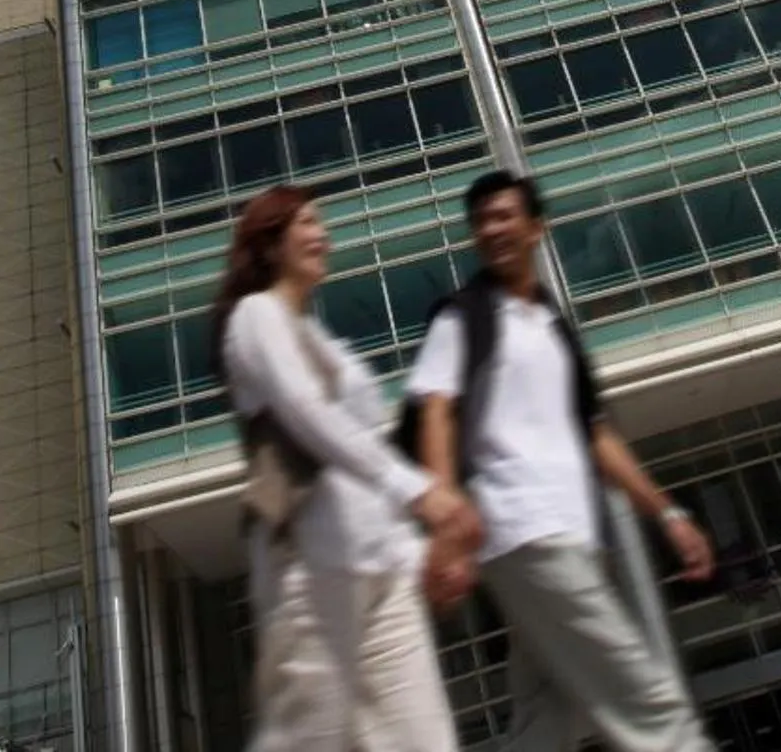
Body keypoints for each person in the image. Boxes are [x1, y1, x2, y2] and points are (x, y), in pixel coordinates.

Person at [404, 171, 716, 752]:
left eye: (504, 215)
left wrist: (669, 515)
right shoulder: (463, 316)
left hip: (568, 538)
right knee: (644, 697)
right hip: (525, 528)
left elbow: (595, 435)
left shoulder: (551, 327)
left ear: (536, 228)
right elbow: (436, 411)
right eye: (481, 221)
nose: (492, 228)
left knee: (549, 716)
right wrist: (445, 515)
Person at [215, 183, 482, 751]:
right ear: (270, 243)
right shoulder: (255, 318)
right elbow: (304, 410)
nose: (323, 235)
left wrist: (420, 553)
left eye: (322, 222)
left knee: (426, 742)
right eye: (308, 223)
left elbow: (362, 453)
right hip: (310, 571)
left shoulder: (322, 339)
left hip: (382, 571)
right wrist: (418, 490)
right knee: (307, 741)